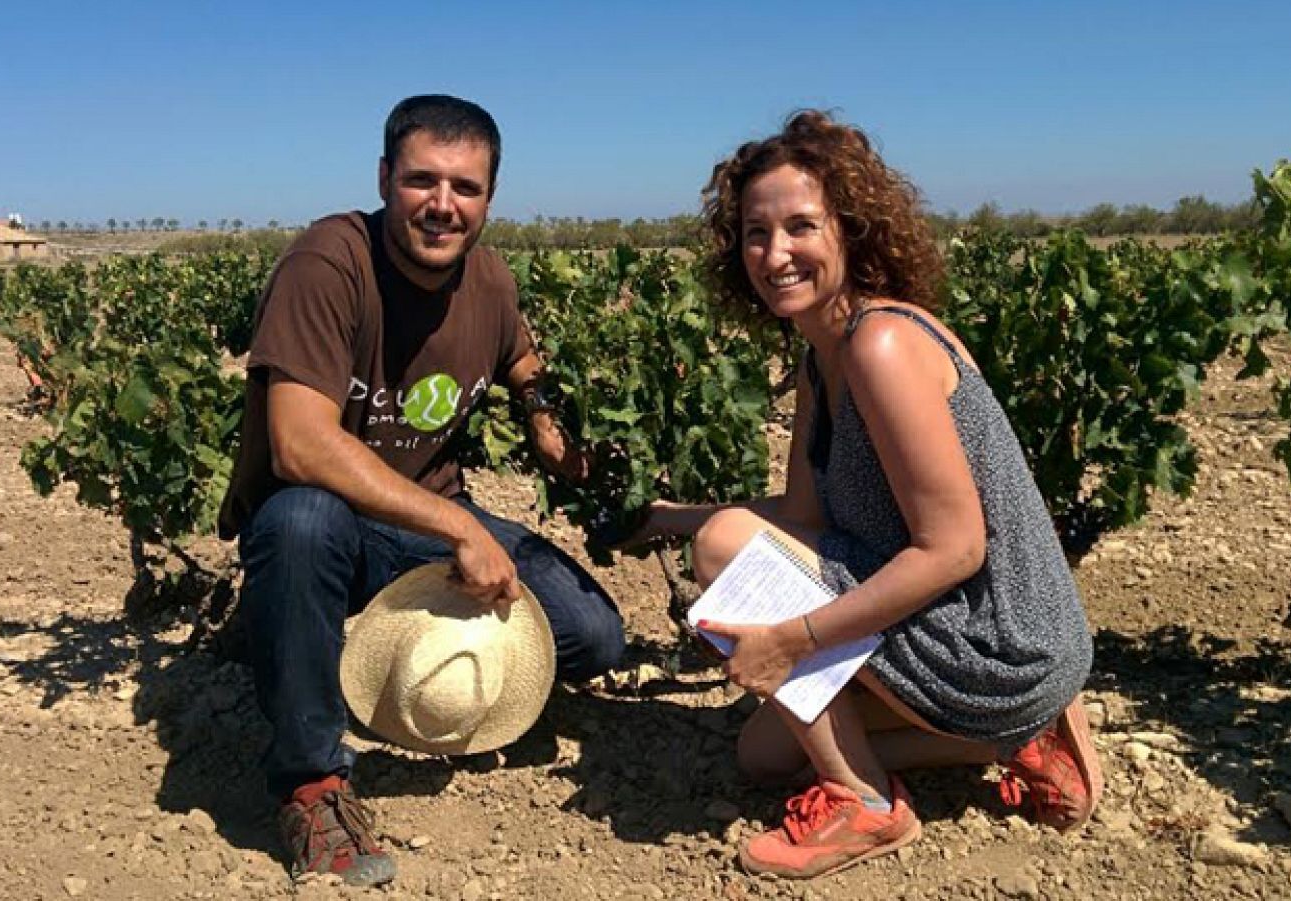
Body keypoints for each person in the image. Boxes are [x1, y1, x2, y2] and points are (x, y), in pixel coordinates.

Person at [638, 111, 1102, 880]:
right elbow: (801, 520)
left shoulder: (881, 345)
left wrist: (793, 638)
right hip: (949, 622)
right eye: (756, 233)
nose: (775, 254)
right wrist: (666, 518)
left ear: (851, 230)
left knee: (725, 550)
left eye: (801, 227)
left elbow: (955, 548)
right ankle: (1014, 737)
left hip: (998, 638)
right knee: (764, 753)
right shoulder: (822, 357)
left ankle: (866, 802)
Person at [217, 94, 626, 886]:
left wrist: (543, 419)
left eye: (465, 187)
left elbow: (523, 358)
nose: (443, 205)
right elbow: (299, 443)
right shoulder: (328, 263)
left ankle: (326, 651)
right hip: (328, 519)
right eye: (422, 181)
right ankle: (310, 785)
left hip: (422, 526)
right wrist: (460, 529)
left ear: (489, 199)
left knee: (593, 636)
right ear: (384, 179)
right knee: (302, 524)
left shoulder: (490, 280)